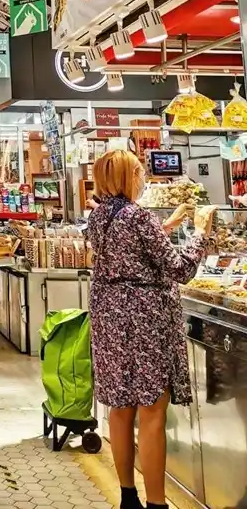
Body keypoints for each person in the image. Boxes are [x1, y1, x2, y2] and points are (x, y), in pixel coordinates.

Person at [86, 150, 214, 509]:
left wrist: (167, 226)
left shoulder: (98, 216)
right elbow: (179, 270)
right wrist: (201, 235)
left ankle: (128, 496)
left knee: (120, 407)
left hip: (110, 318)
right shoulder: (138, 216)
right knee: (152, 410)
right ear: (128, 176)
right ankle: (157, 502)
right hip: (144, 321)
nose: (143, 178)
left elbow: (127, 247)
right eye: (139, 172)